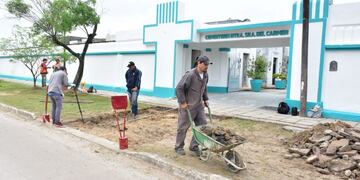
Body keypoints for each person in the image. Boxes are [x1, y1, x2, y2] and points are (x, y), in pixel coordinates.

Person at [175, 56, 211, 156]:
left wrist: (205, 99)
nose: (207, 66)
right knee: (183, 127)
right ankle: (179, 147)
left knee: (203, 126)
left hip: (199, 106)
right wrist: (182, 102)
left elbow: (204, 88)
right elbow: (179, 88)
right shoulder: (190, 75)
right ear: (199, 63)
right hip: (188, 107)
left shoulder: (205, 74)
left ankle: (194, 146)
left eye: (208, 64)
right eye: (205, 64)